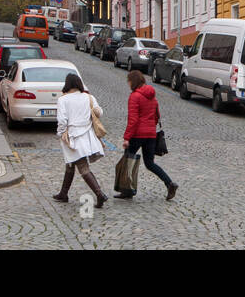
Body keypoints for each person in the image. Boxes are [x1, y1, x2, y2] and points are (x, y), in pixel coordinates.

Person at [118, 70, 178, 200]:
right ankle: (169, 183)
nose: (128, 84)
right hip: (150, 135)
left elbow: (133, 120)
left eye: (128, 81)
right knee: (150, 163)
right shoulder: (153, 97)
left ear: (132, 82)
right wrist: (150, 128)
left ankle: (127, 190)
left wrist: (127, 138)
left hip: (137, 135)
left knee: (128, 161)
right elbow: (157, 117)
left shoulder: (134, 97)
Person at [53, 73, 108, 208]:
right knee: (70, 164)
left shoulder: (63, 100)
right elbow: (99, 112)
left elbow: (62, 120)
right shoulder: (88, 97)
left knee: (82, 167)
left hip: (73, 138)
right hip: (88, 136)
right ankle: (63, 193)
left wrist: (61, 134)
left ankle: (100, 194)